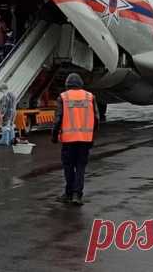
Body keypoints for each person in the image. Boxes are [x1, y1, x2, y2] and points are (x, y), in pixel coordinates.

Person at [51, 73, 98, 206]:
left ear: (67, 85)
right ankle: (77, 195)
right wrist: (92, 136)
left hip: (69, 140)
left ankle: (69, 193)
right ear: (81, 84)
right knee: (81, 167)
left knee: (69, 167)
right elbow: (96, 118)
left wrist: (54, 135)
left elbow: (58, 119)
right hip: (85, 140)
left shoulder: (63, 97)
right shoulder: (90, 97)